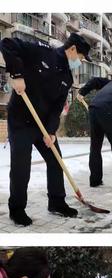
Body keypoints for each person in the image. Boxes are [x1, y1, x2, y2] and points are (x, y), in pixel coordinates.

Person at [0, 33, 91, 226]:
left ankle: (57, 202)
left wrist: (50, 131)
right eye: (81, 57)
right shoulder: (41, 52)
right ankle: (17, 210)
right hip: (21, 121)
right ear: (73, 49)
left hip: (42, 125)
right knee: (21, 167)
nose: (81, 62)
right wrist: (16, 75)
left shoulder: (67, 76)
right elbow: (7, 43)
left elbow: (57, 107)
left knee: (56, 161)